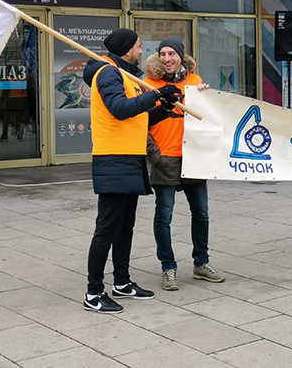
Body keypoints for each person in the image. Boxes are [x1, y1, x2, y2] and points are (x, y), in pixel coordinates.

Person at [82, 28, 181, 313]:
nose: (141, 51)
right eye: (138, 46)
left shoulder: (127, 75)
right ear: (126, 49)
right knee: (107, 229)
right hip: (113, 158)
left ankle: (122, 283)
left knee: (125, 228)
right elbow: (119, 109)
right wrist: (155, 95)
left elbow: (138, 115)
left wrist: (164, 106)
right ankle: (93, 292)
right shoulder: (108, 73)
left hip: (131, 158)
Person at [144, 37, 225, 291]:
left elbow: (207, 118)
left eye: (171, 53)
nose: (166, 58)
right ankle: (168, 267)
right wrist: (154, 154)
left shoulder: (195, 82)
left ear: (181, 56)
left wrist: (207, 98)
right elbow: (140, 122)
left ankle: (201, 263)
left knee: (201, 213)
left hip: (194, 158)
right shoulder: (147, 84)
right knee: (163, 216)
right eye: (162, 54)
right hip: (164, 159)